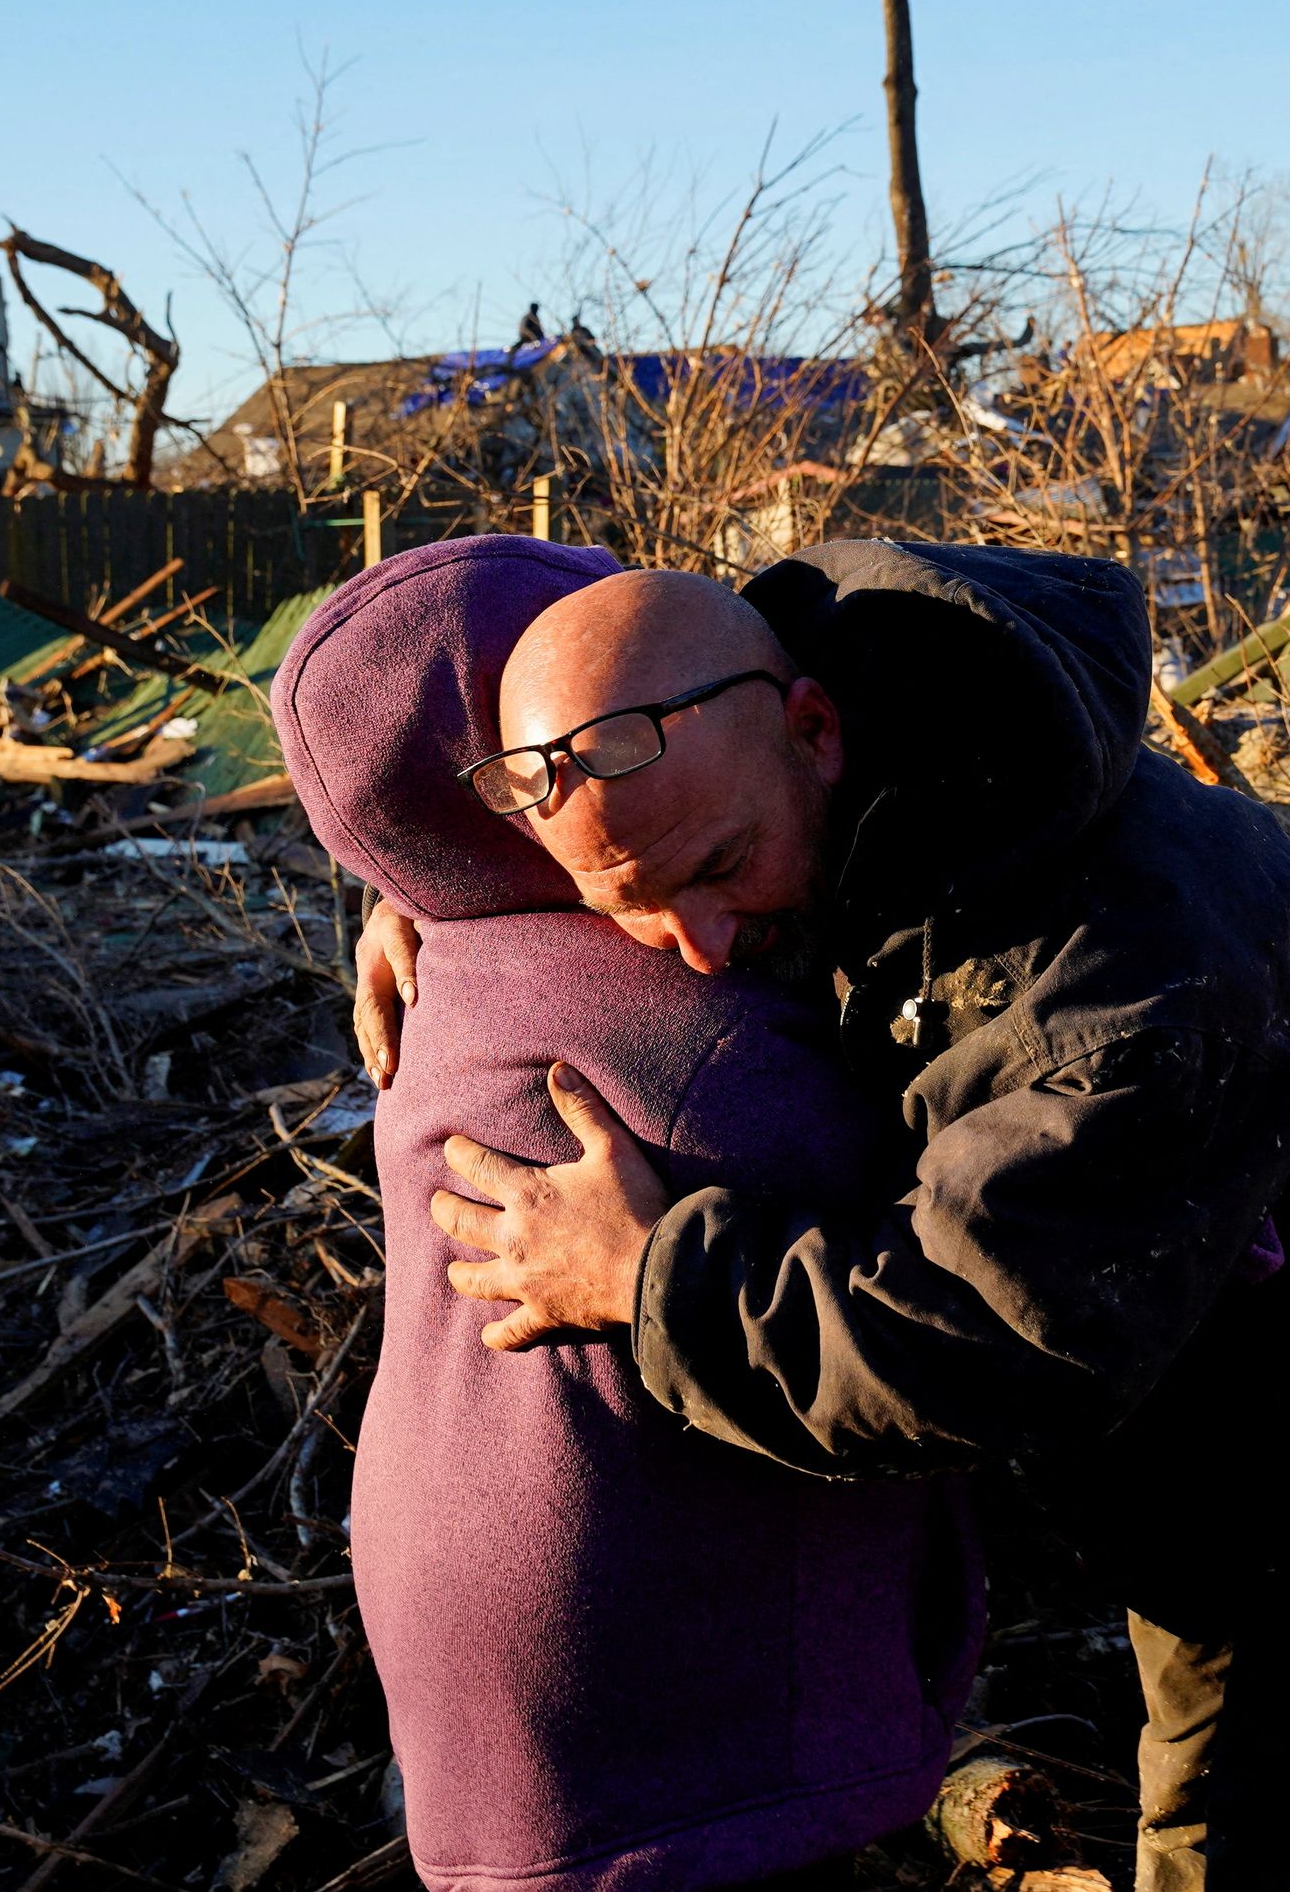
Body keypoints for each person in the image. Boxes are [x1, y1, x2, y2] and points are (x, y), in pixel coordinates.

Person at [363, 541, 1290, 1892]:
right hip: (1193, 1337)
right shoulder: (838, 726)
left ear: (816, 730)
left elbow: (992, 1334)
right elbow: (614, 776)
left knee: (1268, 1830)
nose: (698, 946)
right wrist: (427, 896)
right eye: (627, 904)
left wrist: (652, 1276)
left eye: (720, 866)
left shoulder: (1110, 978)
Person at [273, 538, 976, 1892]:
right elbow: (988, 1273)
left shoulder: (457, 962)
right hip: (657, 1694)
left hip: (474, 1649)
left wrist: (397, 890)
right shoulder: (698, 1040)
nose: (697, 932)